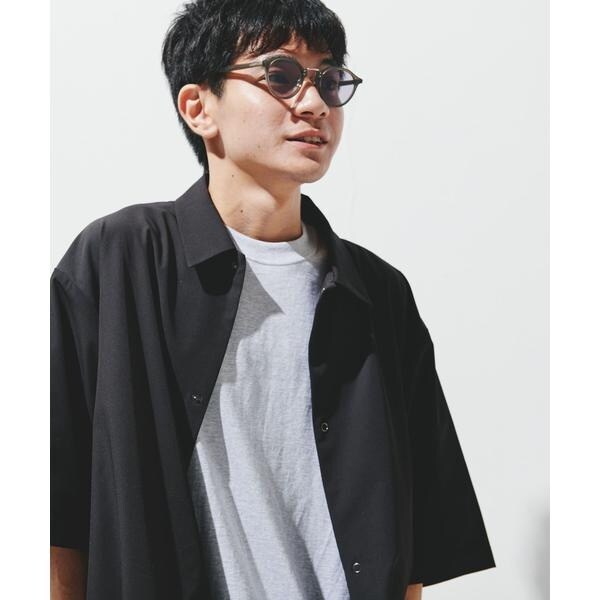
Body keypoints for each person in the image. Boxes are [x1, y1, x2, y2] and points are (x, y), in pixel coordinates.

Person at [50, 1, 496, 598]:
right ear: (199, 107)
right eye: (280, 75)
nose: (315, 105)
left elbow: (416, 536)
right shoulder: (120, 260)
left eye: (330, 80)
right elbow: (54, 499)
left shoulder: (377, 292)